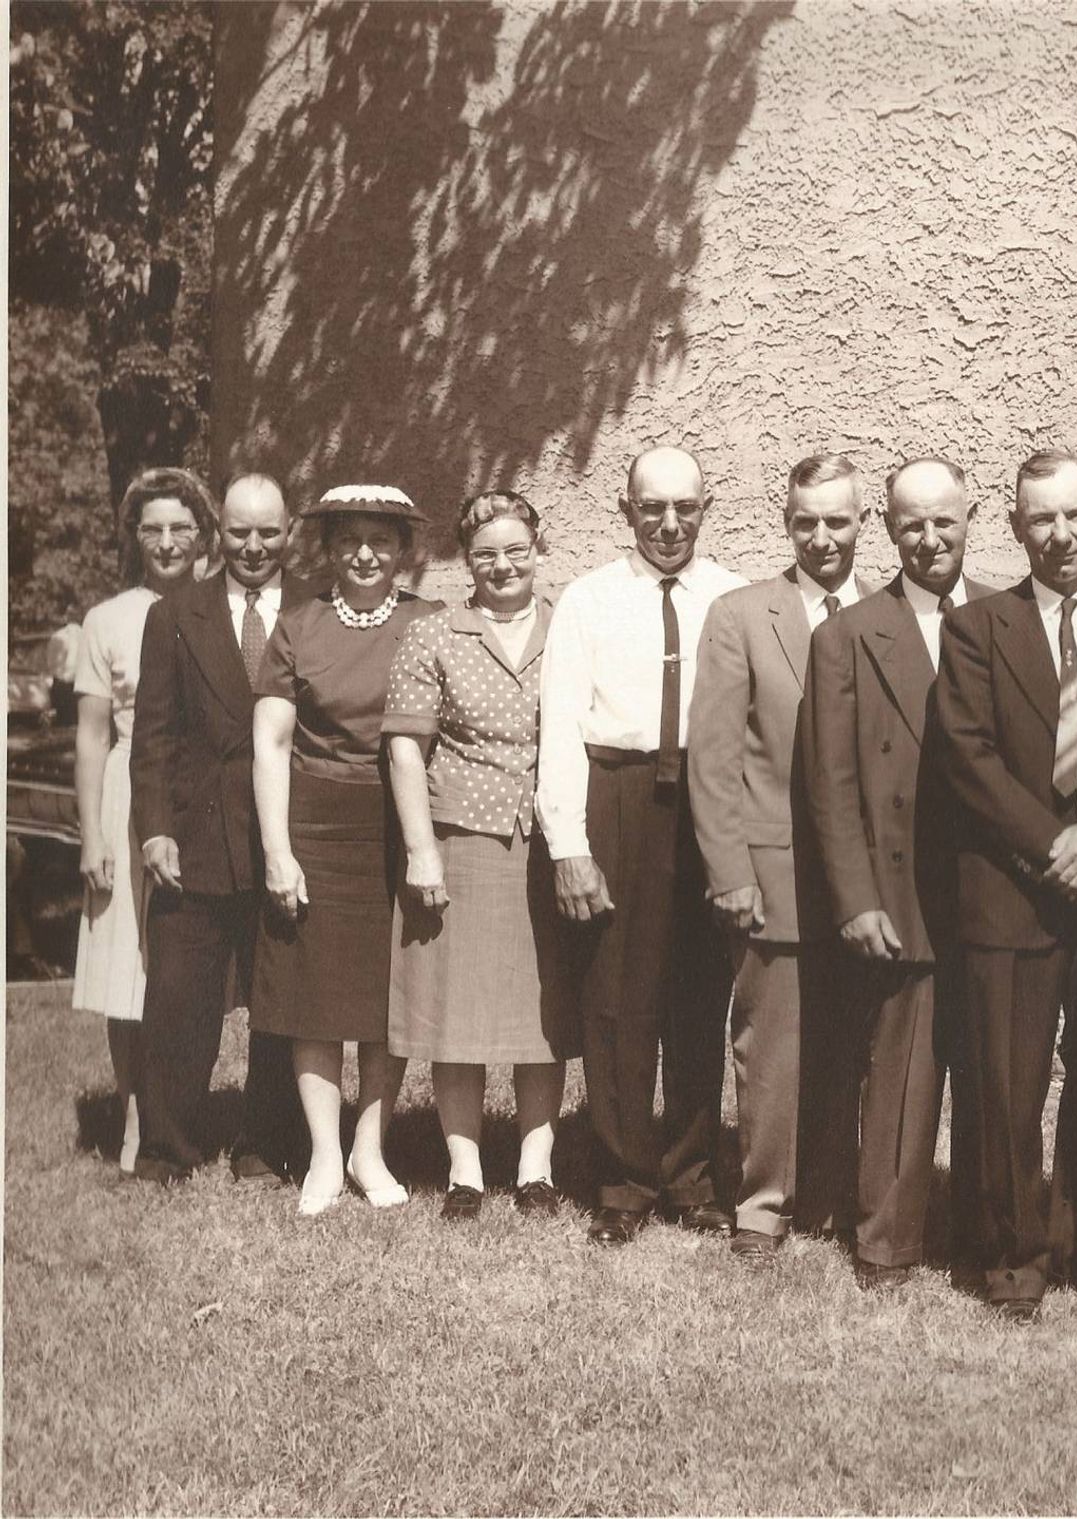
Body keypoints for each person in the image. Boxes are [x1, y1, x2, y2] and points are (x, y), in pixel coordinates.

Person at [933, 447, 1077, 1318]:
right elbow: (968, 756)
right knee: (1006, 1082)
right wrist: (1052, 842)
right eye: (1041, 518)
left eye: (1074, 515)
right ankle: (1012, 1255)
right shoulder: (976, 629)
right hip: (1008, 887)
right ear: (1015, 527)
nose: (1060, 534)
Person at [537, 445, 745, 1245]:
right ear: (624, 510)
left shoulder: (733, 597)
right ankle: (623, 1178)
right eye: (650, 507)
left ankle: (692, 1175)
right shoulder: (589, 600)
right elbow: (560, 726)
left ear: (706, 507)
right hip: (616, 793)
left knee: (698, 992)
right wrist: (568, 844)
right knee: (616, 994)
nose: (667, 523)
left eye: (683, 508)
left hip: (707, 797)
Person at [804, 457, 996, 1290]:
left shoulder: (1007, 616)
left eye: (943, 521)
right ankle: (886, 1239)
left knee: (996, 1075)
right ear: (887, 530)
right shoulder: (845, 635)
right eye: (911, 525)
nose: (929, 539)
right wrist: (853, 898)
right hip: (897, 889)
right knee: (903, 1072)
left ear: (970, 517)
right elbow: (830, 780)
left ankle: (989, 1239)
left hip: (995, 890)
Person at [687, 454, 873, 1262]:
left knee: (851, 1043)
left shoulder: (890, 613)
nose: (823, 537)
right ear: (786, 522)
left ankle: (832, 1195)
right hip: (775, 869)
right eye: (807, 522)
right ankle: (763, 1202)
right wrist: (728, 871)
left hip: (870, 879)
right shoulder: (741, 614)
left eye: (838, 520)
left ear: (863, 523)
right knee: (773, 1045)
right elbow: (715, 758)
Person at [384, 491, 578, 1221]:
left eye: (515, 549)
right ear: (467, 562)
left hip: (548, 841)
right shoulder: (434, 634)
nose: (502, 565)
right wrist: (421, 849)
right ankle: (464, 1171)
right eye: (486, 554)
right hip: (460, 837)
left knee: (542, 1010)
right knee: (454, 1012)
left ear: (539, 547)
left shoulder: (569, 628)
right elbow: (406, 746)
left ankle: (535, 1167)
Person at [250, 485, 441, 1216]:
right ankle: (325, 1157)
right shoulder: (300, 625)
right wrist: (278, 848)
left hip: (401, 819)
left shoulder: (429, 622)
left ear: (403, 550)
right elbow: (270, 741)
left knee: (382, 993)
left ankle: (371, 1148)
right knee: (318, 997)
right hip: (318, 822)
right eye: (348, 540)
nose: (365, 553)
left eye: (381, 540)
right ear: (326, 550)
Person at [131, 473, 310, 1185]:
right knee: (178, 995)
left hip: (282, 837)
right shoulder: (176, 613)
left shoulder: (313, 609)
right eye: (240, 531)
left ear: (288, 532)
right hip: (196, 837)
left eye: (268, 531)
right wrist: (154, 831)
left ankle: (265, 1145)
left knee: (279, 998)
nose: (254, 546)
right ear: (218, 534)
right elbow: (153, 737)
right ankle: (165, 1147)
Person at [74, 467, 215, 1172]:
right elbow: (94, 734)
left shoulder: (219, 605)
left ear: (202, 533)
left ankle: (185, 1106)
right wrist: (93, 834)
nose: (166, 542)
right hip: (128, 796)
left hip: (201, 791)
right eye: (152, 529)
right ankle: (134, 1113)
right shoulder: (108, 618)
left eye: (180, 528)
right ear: (135, 536)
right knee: (126, 963)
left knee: (184, 967)